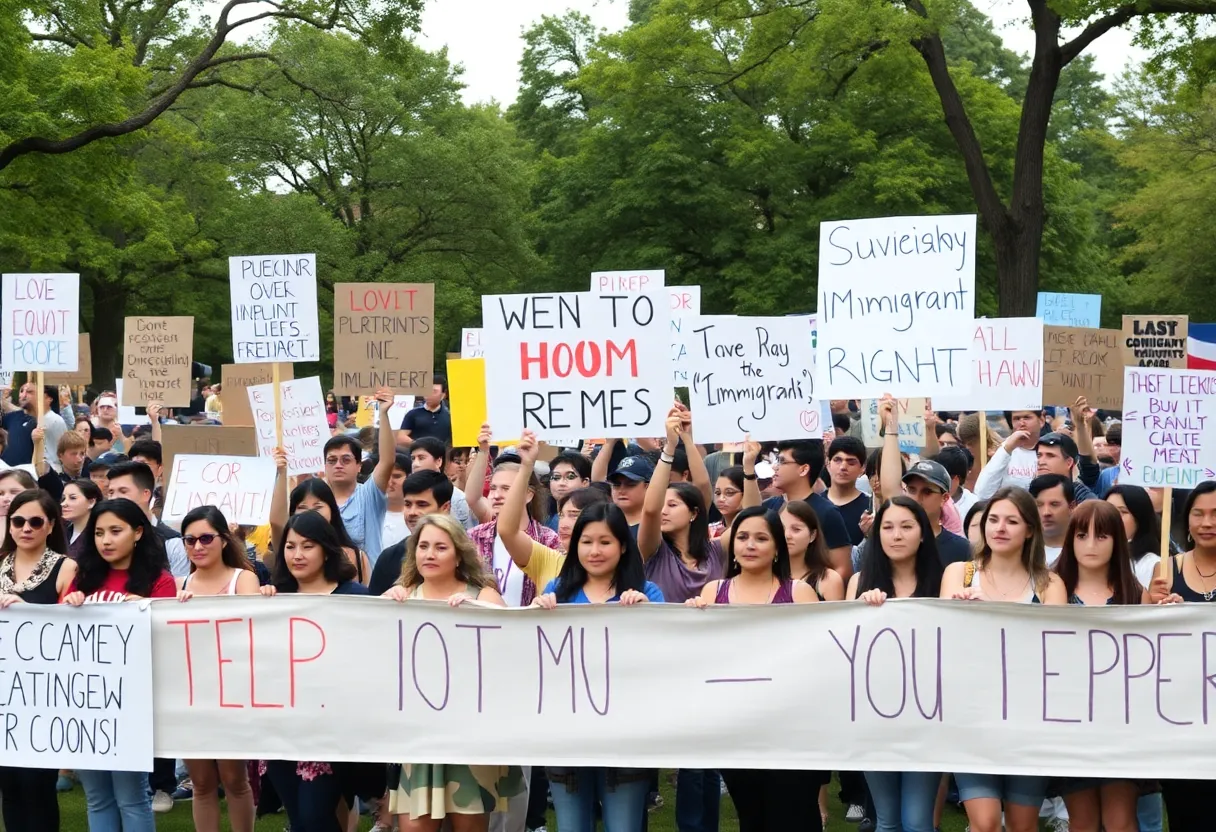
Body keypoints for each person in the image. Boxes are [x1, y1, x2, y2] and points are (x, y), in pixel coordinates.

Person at [382, 514, 524, 830]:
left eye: (440, 547)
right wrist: (384, 606)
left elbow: (513, 647)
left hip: (469, 735)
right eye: (423, 546)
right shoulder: (400, 597)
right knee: (414, 826)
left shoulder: (482, 596)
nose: (430, 554)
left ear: (458, 553)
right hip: (418, 735)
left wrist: (481, 612)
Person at [687, 506, 823, 832]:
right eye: (743, 537)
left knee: (794, 818)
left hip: (792, 732)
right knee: (752, 818)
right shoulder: (712, 592)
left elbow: (822, 657)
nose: (750, 545)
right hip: (737, 731)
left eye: (761, 538)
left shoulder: (799, 593)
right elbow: (697, 658)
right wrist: (690, 620)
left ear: (777, 546)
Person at [940, 488, 1066, 832]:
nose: (1000, 528)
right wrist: (960, 611)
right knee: (986, 824)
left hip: (1027, 721)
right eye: (993, 519)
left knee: (1024, 826)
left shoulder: (1050, 583)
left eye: (1012, 521)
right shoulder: (959, 573)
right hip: (971, 718)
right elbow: (941, 639)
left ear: (1029, 530)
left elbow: (1052, 649)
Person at [532, 502, 661, 832]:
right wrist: (533, 616)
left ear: (622, 545)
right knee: (572, 826)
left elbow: (664, 657)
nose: (595, 550)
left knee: (624, 827)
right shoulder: (555, 593)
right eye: (586, 541)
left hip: (626, 735)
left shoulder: (648, 593)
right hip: (566, 735)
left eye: (605, 542)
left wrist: (652, 617)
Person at [62, 498, 176, 831]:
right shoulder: (83, 579)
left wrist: (150, 610)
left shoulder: (160, 581)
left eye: (115, 531)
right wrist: (68, 604)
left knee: (132, 796)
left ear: (138, 532)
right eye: (98, 533)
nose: (106, 540)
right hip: (85, 702)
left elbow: (169, 640)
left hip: (130, 705)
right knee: (97, 797)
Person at [262, 512, 371, 832]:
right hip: (280, 730)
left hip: (330, 733)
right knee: (300, 819)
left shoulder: (355, 598)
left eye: (307, 546)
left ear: (326, 549)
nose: (297, 554)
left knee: (313, 815)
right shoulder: (273, 599)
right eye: (290, 546)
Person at [845, 496, 944, 832]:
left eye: (906, 526)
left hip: (927, 717)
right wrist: (858, 609)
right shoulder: (858, 582)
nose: (896, 535)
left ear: (922, 534)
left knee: (917, 822)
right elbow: (845, 646)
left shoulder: (943, 582)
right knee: (887, 821)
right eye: (887, 527)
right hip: (875, 717)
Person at [1052, 500, 1144, 832]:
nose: (1090, 544)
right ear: (1070, 540)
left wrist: (1168, 609)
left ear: (1117, 541)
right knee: (1084, 820)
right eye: (1081, 535)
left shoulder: (1135, 593)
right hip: (1071, 724)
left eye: (1102, 536)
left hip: (1122, 725)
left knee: (1120, 821)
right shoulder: (1051, 589)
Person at [172, 506, 259, 832]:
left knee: (235, 778)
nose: (197, 546)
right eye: (190, 539)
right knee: (202, 781)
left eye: (206, 538)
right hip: (192, 695)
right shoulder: (179, 585)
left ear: (224, 540)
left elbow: (252, 630)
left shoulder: (244, 579)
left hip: (233, 694)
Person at [0, 490, 76, 831]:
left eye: (35, 521)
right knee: (9, 787)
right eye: (18, 521)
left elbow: (74, 626)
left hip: (44, 695)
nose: (25, 528)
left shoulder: (66, 566)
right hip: (5, 694)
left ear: (50, 526)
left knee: (37, 786)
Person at [1148, 480, 1216, 832]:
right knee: (1187, 813)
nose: (1207, 522)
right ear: (1186, 520)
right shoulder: (1166, 569)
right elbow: (1142, 639)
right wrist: (1153, 603)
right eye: (1199, 513)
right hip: (1180, 721)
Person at [637, 408, 729, 605]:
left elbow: (704, 486)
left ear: (694, 513)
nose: (663, 511)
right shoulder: (654, 550)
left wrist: (687, 438)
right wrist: (670, 447)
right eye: (662, 504)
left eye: (672, 504)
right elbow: (651, 510)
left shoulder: (716, 550)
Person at [463, 431, 560, 609]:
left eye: (507, 489)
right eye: (493, 488)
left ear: (529, 495)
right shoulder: (474, 537)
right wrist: (483, 451)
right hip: (482, 629)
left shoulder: (548, 540)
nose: (497, 495)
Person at [320, 387, 396, 562]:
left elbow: (387, 461)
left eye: (345, 460)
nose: (338, 465)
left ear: (359, 466)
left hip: (365, 586)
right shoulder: (317, 500)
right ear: (324, 466)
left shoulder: (369, 495)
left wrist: (384, 414)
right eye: (332, 460)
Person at [763, 438, 853, 582]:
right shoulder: (768, 507)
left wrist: (816, 592)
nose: (775, 467)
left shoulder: (827, 512)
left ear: (804, 469)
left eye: (782, 461)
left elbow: (842, 567)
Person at [271, 472, 372, 584]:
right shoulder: (287, 547)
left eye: (318, 507)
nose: (310, 513)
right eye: (302, 507)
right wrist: (282, 471)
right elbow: (276, 522)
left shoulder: (357, 556)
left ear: (332, 510)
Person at [369, 470, 455, 596]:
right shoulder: (390, 558)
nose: (412, 512)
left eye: (422, 505)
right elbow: (373, 610)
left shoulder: (464, 552)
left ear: (445, 508)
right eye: (408, 504)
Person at [106, 460, 188, 577]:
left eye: (123, 491)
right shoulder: (105, 539)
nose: (115, 498)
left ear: (146, 494)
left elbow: (178, 589)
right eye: (110, 492)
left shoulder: (172, 542)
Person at [779, 500, 844, 601]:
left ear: (812, 535)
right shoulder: (765, 576)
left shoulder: (828, 579)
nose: (787, 535)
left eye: (796, 529)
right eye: (781, 529)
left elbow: (835, 616)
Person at [973, 410, 1043, 498]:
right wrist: (1006, 449)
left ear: (1041, 420)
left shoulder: (1051, 449)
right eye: (1016, 419)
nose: (1022, 423)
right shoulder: (1005, 450)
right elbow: (982, 493)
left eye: (1027, 418)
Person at [1106, 484, 1164, 587]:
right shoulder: (1091, 559)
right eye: (1108, 510)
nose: (1112, 517)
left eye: (1122, 512)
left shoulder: (1152, 565)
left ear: (1140, 518)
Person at [409, 436, 473, 528]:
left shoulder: (457, 498)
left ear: (438, 461)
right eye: (413, 458)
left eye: (421, 458)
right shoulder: (405, 491)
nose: (415, 464)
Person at [825, 435, 871, 545]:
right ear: (828, 463)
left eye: (851, 462)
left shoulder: (869, 508)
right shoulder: (813, 505)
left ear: (862, 468)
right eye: (837, 460)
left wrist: (870, 534)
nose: (843, 467)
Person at [1035, 433, 1096, 502]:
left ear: (1069, 463)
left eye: (1050, 455)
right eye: (1039, 455)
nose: (1040, 462)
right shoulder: (1030, 496)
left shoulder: (1084, 499)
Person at [1029, 474, 1075, 566]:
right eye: (1039, 505)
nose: (1046, 512)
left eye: (1054, 504)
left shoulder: (1083, 553)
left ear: (1072, 507)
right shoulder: (1020, 552)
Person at [545, 451, 592, 532]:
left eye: (570, 477)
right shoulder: (544, 516)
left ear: (585, 482)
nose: (561, 483)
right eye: (556, 477)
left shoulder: (593, 518)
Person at [396, 377, 452, 445]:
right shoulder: (413, 414)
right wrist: (420, 446)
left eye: (434, 391)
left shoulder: (449, 416)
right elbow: (401, 437)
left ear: (443, 395)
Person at [61, 478, 102, 559]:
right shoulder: (61, 532)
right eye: (63, 498)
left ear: (91, 502)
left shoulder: (98, 536)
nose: (63, 504)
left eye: (72, 498)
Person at [381, 451, 412, 550]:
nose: (390, 482)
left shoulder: (416, 516)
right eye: (385, 476)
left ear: (409, 477)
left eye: (397, 476)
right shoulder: (367, 515)